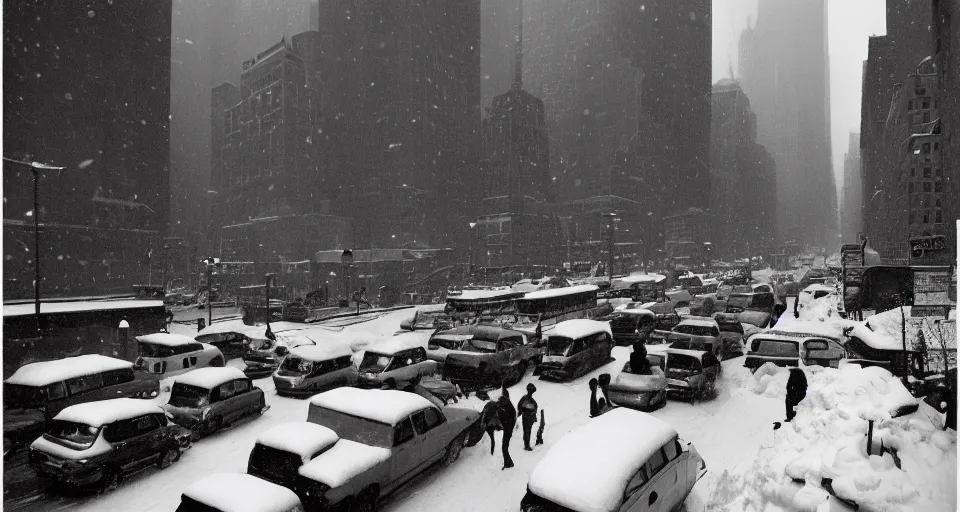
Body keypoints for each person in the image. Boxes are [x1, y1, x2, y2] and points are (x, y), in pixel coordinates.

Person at [496, 386, 517, 469]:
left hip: (507, 428)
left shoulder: (501, 404)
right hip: (508, 428)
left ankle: (508, 463)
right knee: (505, 447)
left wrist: (504, 425)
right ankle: (507, 463)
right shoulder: (508, 404)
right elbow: (513, 416)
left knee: (504, 447)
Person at [517, 383, 539, 451]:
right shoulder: (528, 399)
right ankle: (527, 446)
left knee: (526, 431)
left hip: (528, 417)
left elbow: (519, 407)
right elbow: (520, 407)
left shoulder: (526, 398)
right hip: (528, 417)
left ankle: (526, 445)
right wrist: (526, 411)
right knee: (527, 431)